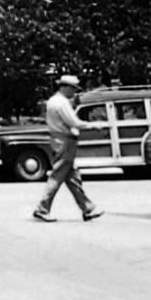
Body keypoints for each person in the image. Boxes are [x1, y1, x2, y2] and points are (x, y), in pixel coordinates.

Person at [33, 74, 103, 223]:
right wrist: (92, 126)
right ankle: (42, 208)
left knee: (72, 177)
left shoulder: (53, 101)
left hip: (59, 139)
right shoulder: (61, 103)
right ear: (65, 87)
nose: (74, 91)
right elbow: (73, 122)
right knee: (58, 176)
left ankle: (87, 208)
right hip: (65, 140)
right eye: (73, 88)